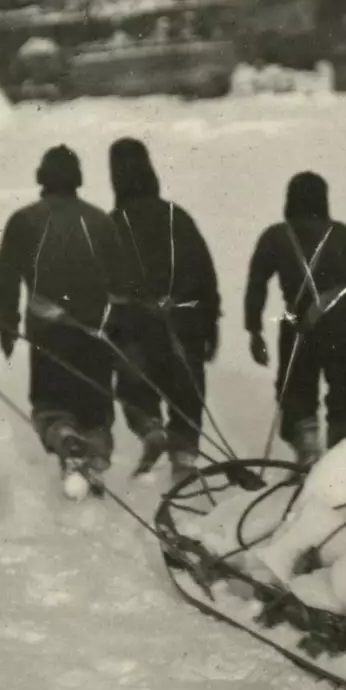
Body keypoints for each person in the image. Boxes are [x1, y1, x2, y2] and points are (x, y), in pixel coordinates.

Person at [0, 145, 131, 499]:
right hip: (95, 332)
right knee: (97, 412)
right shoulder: (100, 221)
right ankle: (94, 463)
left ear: (42, 178)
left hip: (47, 332)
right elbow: (122, 285)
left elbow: (4, 278)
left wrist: (7, 325)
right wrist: (120, 333)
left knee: (52, 404)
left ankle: (66, 440)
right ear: (78, 179)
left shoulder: (24, 220)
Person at [244, 171, 346, 466]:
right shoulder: (345, 235)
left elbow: (256, 284)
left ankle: (308, 449)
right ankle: (343, 460)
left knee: (296, 391)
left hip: (299, 325)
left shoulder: (275, 236)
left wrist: (254, 331)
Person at [107, 138, 221, 487]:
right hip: (183, 322)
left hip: (132, 325)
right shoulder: (178, 217)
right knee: (187, 392)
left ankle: (151, 430)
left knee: (133, 388)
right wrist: (211, 324)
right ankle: (184, 463)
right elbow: (204, 273)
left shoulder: (110, 223)